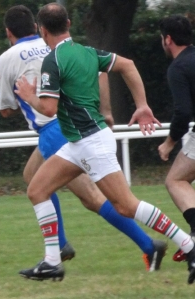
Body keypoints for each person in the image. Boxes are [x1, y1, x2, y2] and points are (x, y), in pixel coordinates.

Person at [14, 3, 195, 284]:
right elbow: (128, 65)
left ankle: (189, 244)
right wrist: (142, 104)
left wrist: (28, 96)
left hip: (90, 143)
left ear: (42, 30)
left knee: (126, 205)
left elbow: (48, 109)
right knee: (37, 189)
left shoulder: (54, 60)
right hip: (80, 142)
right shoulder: (87, 52)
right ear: (69, 24)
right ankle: (52, 262)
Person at [157, 15, 195, 262]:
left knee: (176, 180)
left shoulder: (178, 68)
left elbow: (183, 113)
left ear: (168, 39)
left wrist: (169, 143)